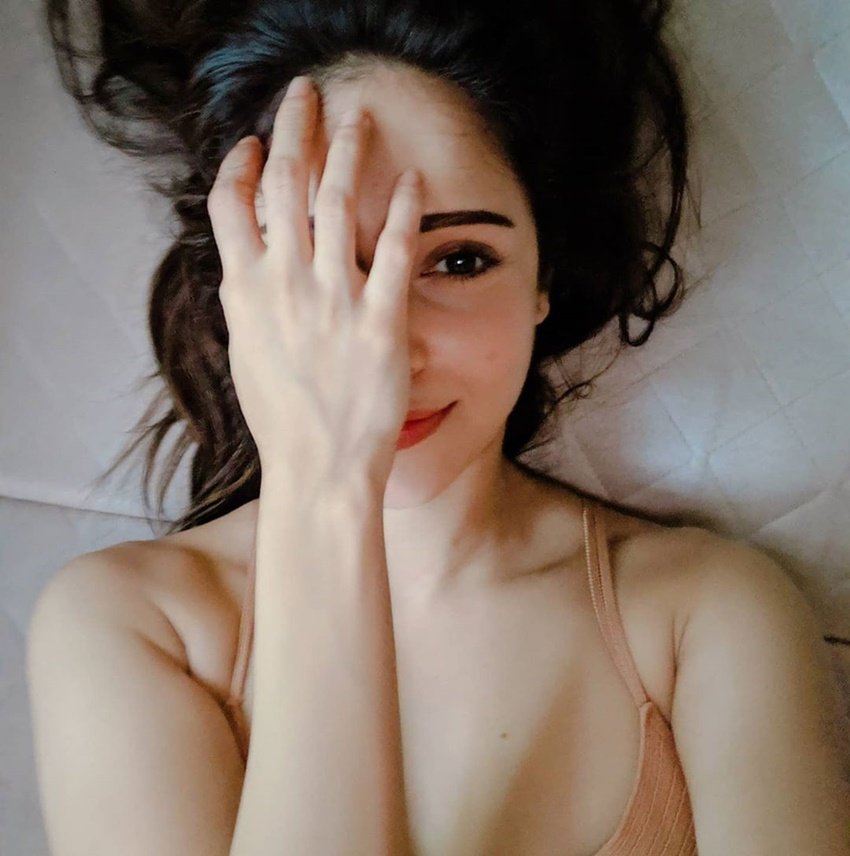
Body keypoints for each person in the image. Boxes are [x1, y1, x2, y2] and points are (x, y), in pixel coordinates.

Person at [26, 1, 850, 854]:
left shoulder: (708, 616)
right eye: (314, 260)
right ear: (244, 290)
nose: (380, 350)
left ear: (544, 278)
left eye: (458, 260)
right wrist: (323, 488)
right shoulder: (128, 623)